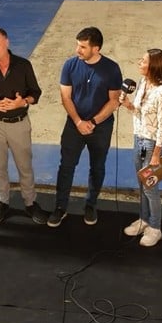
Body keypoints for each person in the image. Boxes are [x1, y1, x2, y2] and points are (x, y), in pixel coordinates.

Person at [48, 27, 122, 227]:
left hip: (101, 127)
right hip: (74, 125)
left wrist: (94, 122)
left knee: (97, 167)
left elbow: (114, 100)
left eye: (82, 47)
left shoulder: (112, 69)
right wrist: (79, 122)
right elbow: (65, 97)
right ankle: (60, 207)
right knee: (66, 167)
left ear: (96, 49)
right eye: (77, 45)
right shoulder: (70, 65)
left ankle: (91, 204)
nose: (77, 50)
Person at [0, 28, 49, 225]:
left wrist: (22, 102)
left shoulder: (23, 65)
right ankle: (2, 202)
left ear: (7, 43)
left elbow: (36, 93)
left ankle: (30, 202)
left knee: (25, 166)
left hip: (19, 125)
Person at [119, 49, 162, 247]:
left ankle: (155, 227)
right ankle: (143, 219)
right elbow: (140, 112)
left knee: (150, 188)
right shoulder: (143, 83)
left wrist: (157, 154)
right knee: (141, 184)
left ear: (154, 66)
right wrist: (127, 104)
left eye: (143, 61)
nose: (139, 63)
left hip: (152, 145)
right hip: (138, 139)